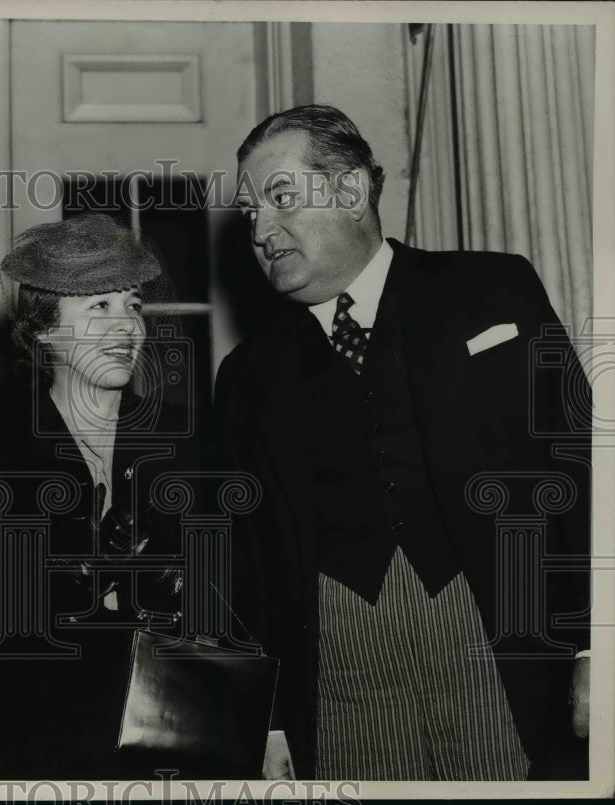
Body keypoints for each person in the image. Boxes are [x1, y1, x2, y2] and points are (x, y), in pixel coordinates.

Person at [216, 105, 591, 781]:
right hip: (340, 677)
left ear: (353, 191)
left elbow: (583, 469)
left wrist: (598, 649)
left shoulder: (491, 290)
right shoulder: (248, 374)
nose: (262, 232)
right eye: (250, 216)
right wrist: (264, 716)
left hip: (498, 648)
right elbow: (245, 561)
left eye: (278, 199)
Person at [0, 214, 202, 780]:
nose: (126, 326)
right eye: (98, 308)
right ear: (45, 330)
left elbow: (241, 601)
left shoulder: (194, 444)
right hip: (39, 749)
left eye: (132, 306)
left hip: (177, 742)